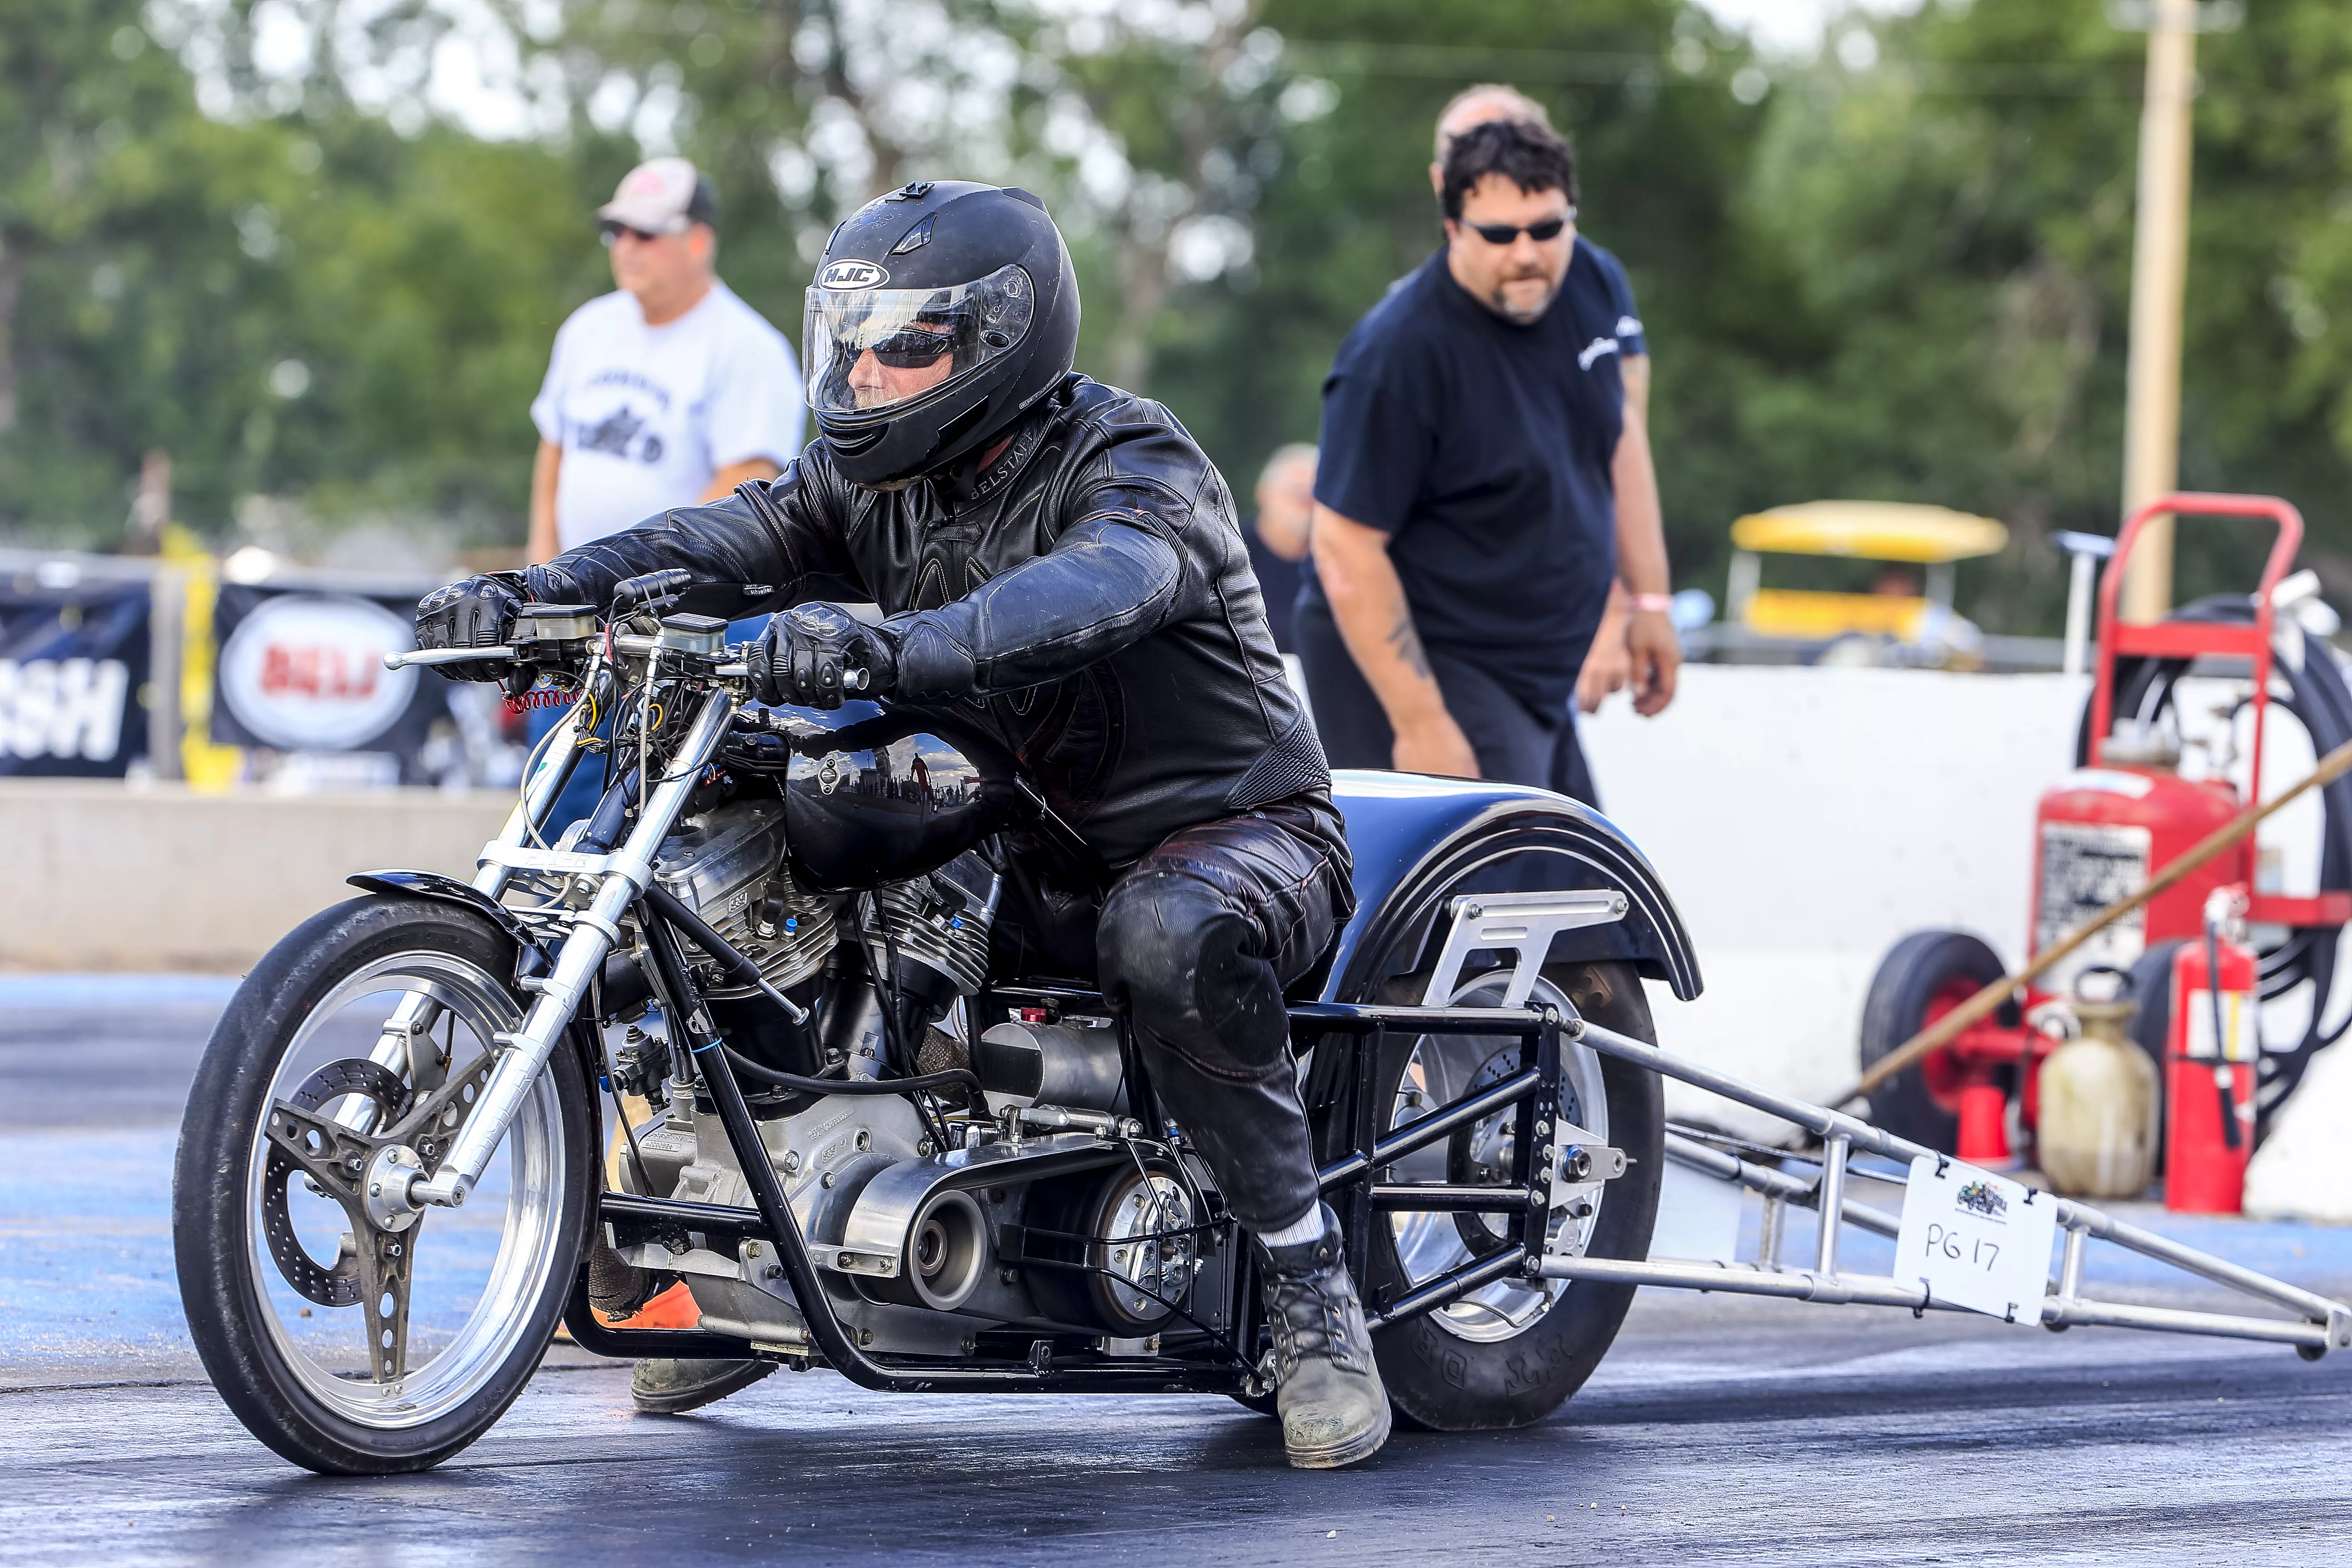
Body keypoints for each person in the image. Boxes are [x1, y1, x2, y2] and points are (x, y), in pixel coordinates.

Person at [415, 181, 1386, 1470]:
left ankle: (1313, 1295)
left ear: (997, 343)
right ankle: (757, 1240)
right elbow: (730, 530)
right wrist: (540, 590)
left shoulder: (1134, 462)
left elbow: (1090, 591)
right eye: (851, 341)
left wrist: (887, 643)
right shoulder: (869, 477)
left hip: (1225, 834)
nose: (864, 373)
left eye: (904, 346)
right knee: (754, 817)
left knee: (1168, 927)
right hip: (1016, 827)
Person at [1297, 113, 1678, 799]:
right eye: (1500, 234)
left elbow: (1622, 443)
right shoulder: (1398, 354)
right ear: (1452, 228)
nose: (1527, 253)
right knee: (1498, 892)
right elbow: (1344, 548)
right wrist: (1421, 723)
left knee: (1585, 895)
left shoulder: (1592, 279)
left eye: (1548, 228)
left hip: (1532, 664)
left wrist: (1646, 600)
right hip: (1429, 657)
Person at [522, 156, 805, 824]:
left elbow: (745, 487)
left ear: (698, 240)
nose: (626, 248)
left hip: (679, 625)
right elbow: (554, 449)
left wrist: (633, 584)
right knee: (550, 802)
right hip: (580, 615)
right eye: (617, 232)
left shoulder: (745, 348)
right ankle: (544, 932)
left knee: (653, 819)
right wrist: (544, 575)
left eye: (645, 234)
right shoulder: (589, 329)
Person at [1246, 443, 1317, 655]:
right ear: (1263, 493)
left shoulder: (1340, 563)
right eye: (1296, 493)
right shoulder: (1227, 553)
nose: (1305, 504)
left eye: (1315, 496)